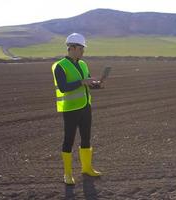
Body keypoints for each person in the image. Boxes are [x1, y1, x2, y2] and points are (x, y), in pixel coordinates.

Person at [51, 33, 102, 185]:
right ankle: (67, 174)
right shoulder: (59, 66)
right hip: (70, 109)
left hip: (86, 107)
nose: (83, 51)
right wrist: (82, 82)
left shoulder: (83, 64)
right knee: (69, 140)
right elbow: (63, 87)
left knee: (86, 138)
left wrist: (96, 84)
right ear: (71, 48)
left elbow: (86, 83)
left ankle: (87, 168)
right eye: (81, 48)